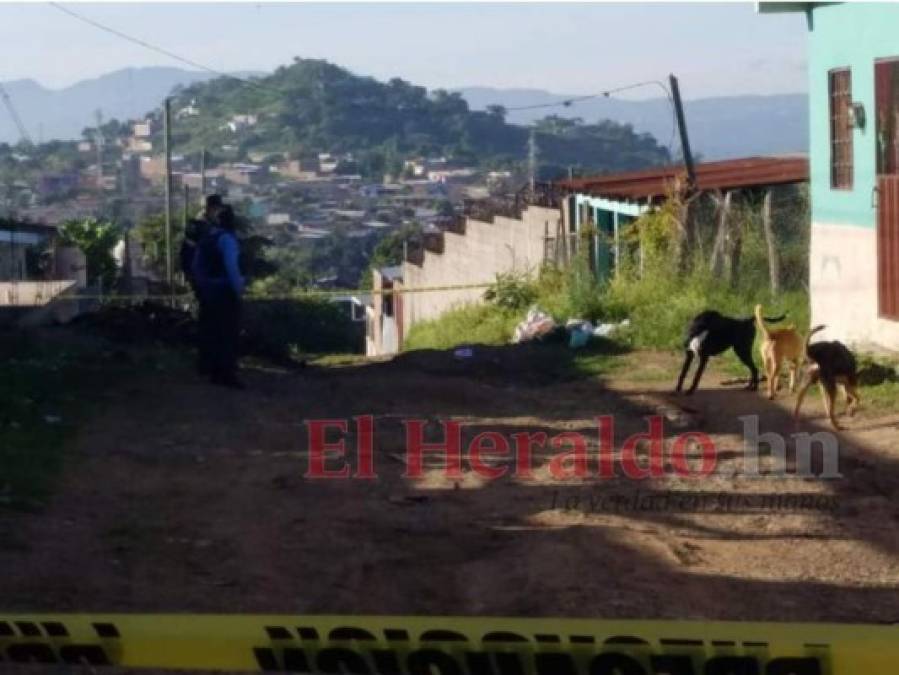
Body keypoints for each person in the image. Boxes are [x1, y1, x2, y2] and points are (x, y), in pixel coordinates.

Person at [192, 204, 246, 389]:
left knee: (211, 332)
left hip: (207, 292)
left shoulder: (208, 238)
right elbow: (232, 267)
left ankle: (213, 371)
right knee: (228, 334)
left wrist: (203, 287)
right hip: (224, 292)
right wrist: (238, 290)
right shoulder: (227, 240)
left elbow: (196, 266)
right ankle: (227, 374)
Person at [180, 194, 223, 293]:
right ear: (209, 208)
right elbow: (187, 253)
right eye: (216, 209)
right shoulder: (196, 226)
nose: (218, 212)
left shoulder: (215, 225)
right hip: (201, 275)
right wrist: (190, 275)